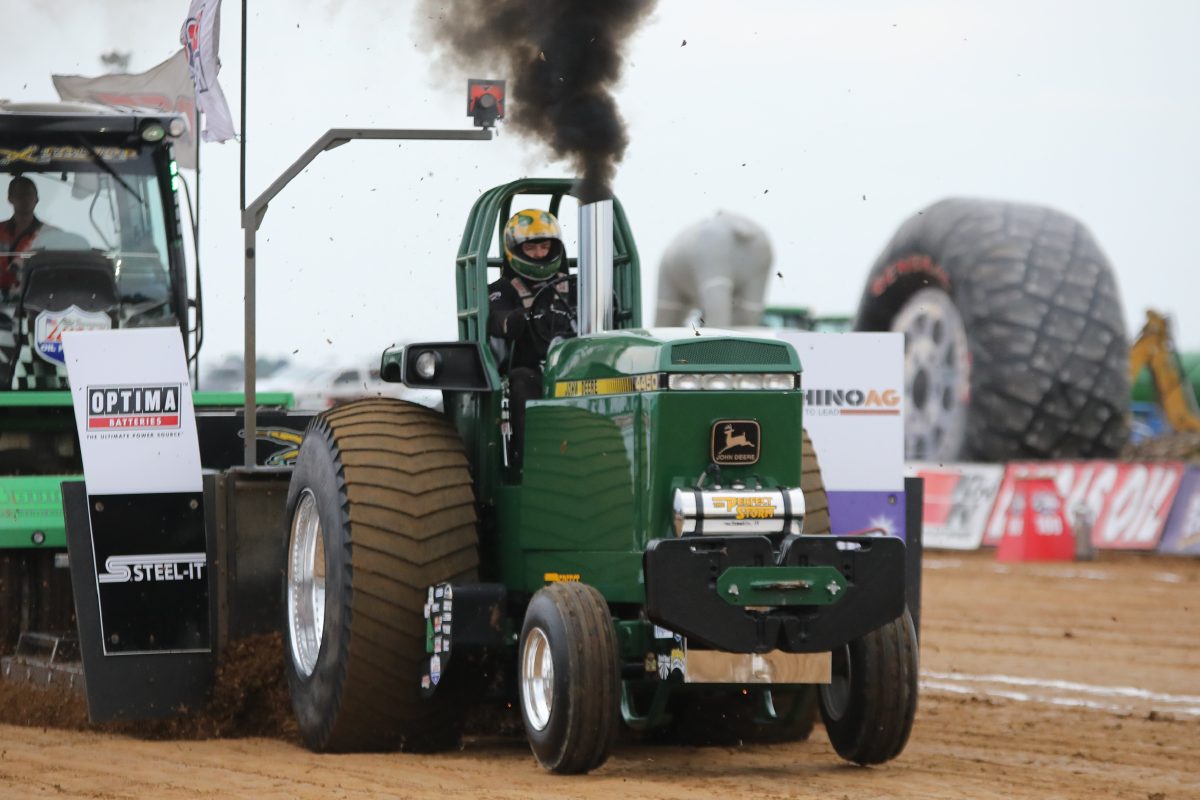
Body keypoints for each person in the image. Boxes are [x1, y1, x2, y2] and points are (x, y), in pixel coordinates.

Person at [488, 208, 577, 466]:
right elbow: (497, 318)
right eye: (531, 249)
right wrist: (511, 321)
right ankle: (531, 463)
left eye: (545, 247)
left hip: (576, 368)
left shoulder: (576, 286)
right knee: (522, 381)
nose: (539, 254)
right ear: (515, 251)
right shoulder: (502, 289)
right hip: (531, 370)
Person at [0, 176, 57, 297]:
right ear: (10, 199)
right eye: (19, 194)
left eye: (28, 194)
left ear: (37, 199)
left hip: (40, 299)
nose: (25, 198)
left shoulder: (52, 234)